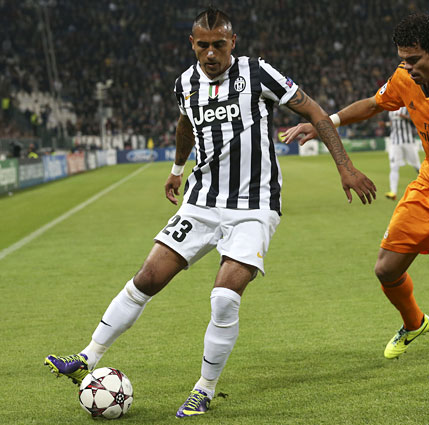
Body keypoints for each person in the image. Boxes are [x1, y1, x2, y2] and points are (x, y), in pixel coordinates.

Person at [44, 6, 376, 419]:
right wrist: (176, 169)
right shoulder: (185, 83)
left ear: (232, 42)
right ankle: (87, 357)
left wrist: (345, 166)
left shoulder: (259, 73)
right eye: (203, 46)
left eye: (220, 44)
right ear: (192, 44)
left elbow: (315, 113)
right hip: (202, 201)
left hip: (254, 207)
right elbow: (186, 124)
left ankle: (204, 388)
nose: (211, 53)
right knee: (148, 277)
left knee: (223, 299)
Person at [283, 13, 429, 384]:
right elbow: (373, 104)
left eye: (414, 59)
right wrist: (323, 122)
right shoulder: (404, 78)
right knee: (386, 270)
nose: (406, 67)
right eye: (402, 59)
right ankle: (414, 323)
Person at [384, 106, 420, 200]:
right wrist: (386, 125)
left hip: (408, 142)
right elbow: (392, 123)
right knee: (394, 166)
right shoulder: (391, 109)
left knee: (417, 166)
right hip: (395, 142)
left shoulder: (407, 107)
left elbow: (417, 119)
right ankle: (393, 192)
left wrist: (406, 117)